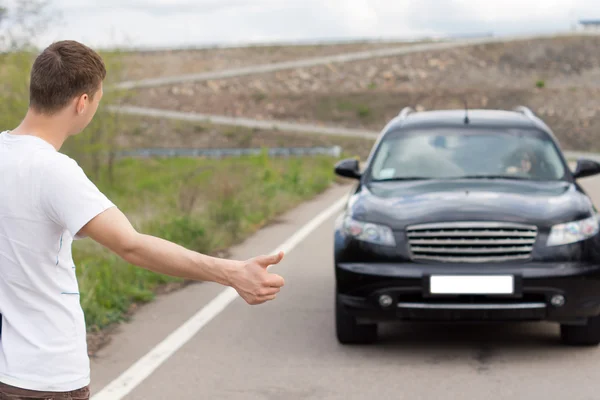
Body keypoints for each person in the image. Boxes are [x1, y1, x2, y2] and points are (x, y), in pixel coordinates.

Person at [0, 40, 286, 399]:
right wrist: (231, 273)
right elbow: (131, 245)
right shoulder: (53, 171)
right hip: (45, 375)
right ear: (82, 102)